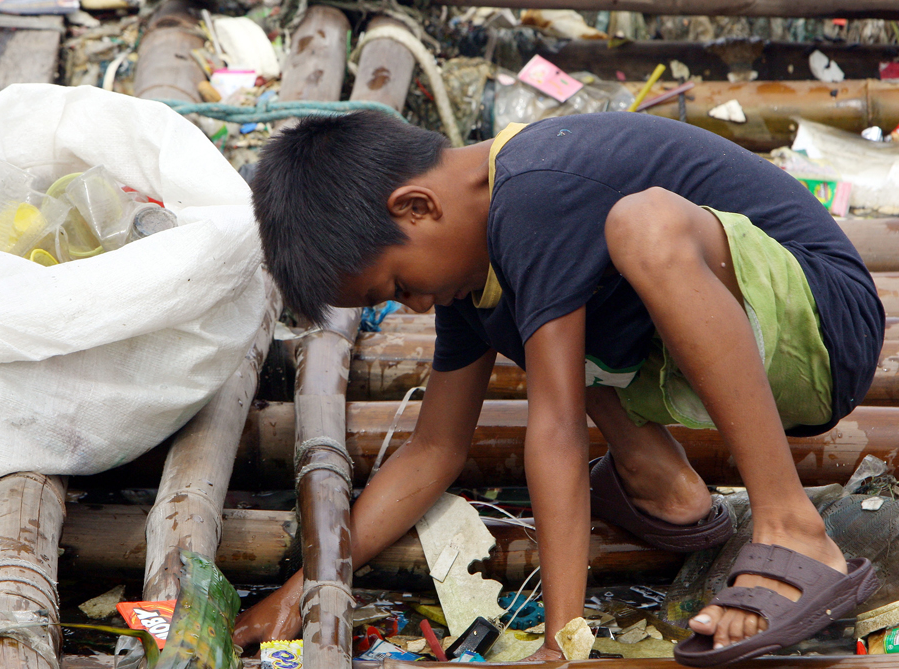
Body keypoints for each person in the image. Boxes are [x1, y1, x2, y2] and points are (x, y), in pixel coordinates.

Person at [235, 110, 883, 666]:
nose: (416, 306)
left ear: (416, 206)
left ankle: (790, 525)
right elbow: (432, 448)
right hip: (754, 355)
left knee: (641, 224)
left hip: (825, 321)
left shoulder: (534, 188)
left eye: (400, 286)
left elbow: (557, 427)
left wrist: (562, 641)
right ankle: (663, 484)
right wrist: (304, 586)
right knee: (537, 315)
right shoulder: (472, 275)